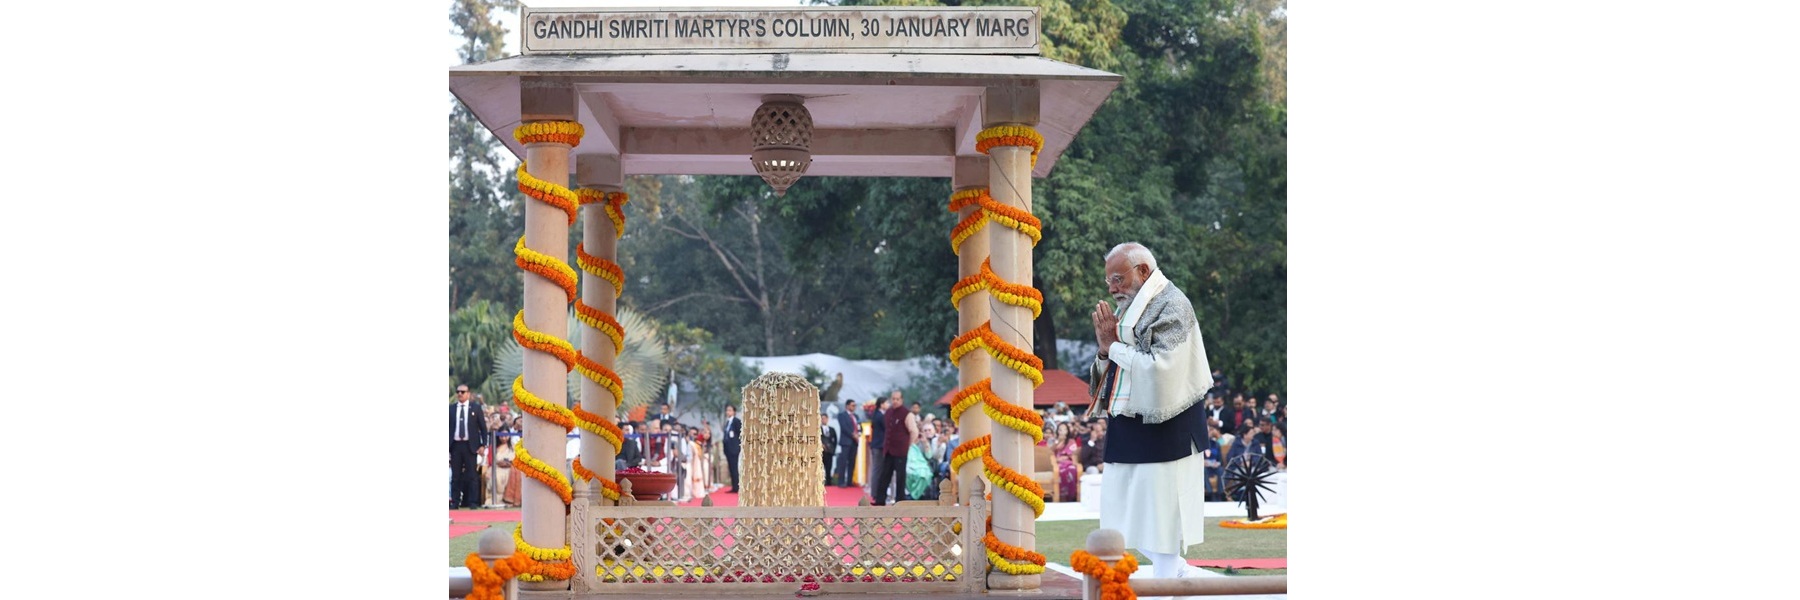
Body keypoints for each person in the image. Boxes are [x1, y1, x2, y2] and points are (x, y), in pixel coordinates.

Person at [1087, 242, 1213, 580]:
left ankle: (1170, 575)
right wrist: (1105, 349)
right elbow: (1111, 361)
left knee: (1162, 515)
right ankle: (1173, 570)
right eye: (1108, 282)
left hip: (1168, 424)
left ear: (1143, 270)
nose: (1112, 289)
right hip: (1128, 424)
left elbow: (1162, 371)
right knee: (1118, 511)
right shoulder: (1129, 308)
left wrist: (1112, 346)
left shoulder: (1173, 304)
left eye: (1117, 279)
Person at [872, 391, 918, 505]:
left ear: (901, 400)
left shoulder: (907, 414)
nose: (895, 401)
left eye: (897, 399)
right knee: (884, 475)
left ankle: (900, 501)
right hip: (888, 449)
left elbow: (914, 431)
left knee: (900, 477)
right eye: (893, 399)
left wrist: (908, 444)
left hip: (901, 450)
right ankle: (880, 500)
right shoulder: (888, 412)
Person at [448, 385, 488, 510]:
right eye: (458, 392)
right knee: (455, 476)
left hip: (471, 446)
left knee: (472, 475)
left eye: (463, 392)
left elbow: (483, 428)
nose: (460, 394)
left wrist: (483, 445)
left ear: (468, 394)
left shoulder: (475, 408)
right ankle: (455, 502)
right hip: (455, 445)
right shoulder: (451, 409)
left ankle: (473, 502)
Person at [833, 398, 860, 487]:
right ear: (847, 406)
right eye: (852, 405)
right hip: (846, 442)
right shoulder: (842, 415)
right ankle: (841, 482)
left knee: (852, 462)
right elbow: (844, 427)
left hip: (854, 442)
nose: (854, 407)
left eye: (855, 405)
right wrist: (853, 434)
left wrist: (859, 433)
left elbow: (859, 427)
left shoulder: (856, 416)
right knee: (843, 462)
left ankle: (849, 481)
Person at [722, 404, 743, 493]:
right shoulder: (727, 422)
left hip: (734, 448)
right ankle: (734, 486)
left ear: (734, 411)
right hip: (728, 448)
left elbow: (740, 434)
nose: (728, 412)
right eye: (727, 410)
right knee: (731, 468)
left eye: (730, 410)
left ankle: (737, 487)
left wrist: (738, 445)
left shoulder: (736, 421)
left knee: (734, 467)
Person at [820, 412, 838, 486]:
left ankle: (829, 482)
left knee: (829, 467)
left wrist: (833, 449)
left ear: (827, 419)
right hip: (821, 452)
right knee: (820, 468)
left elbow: (835, 440)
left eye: (825, 418)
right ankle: (820, 481)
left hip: (829, 452)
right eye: (822, 418)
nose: (823, 420)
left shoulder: (832, 429)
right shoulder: (818, 429)